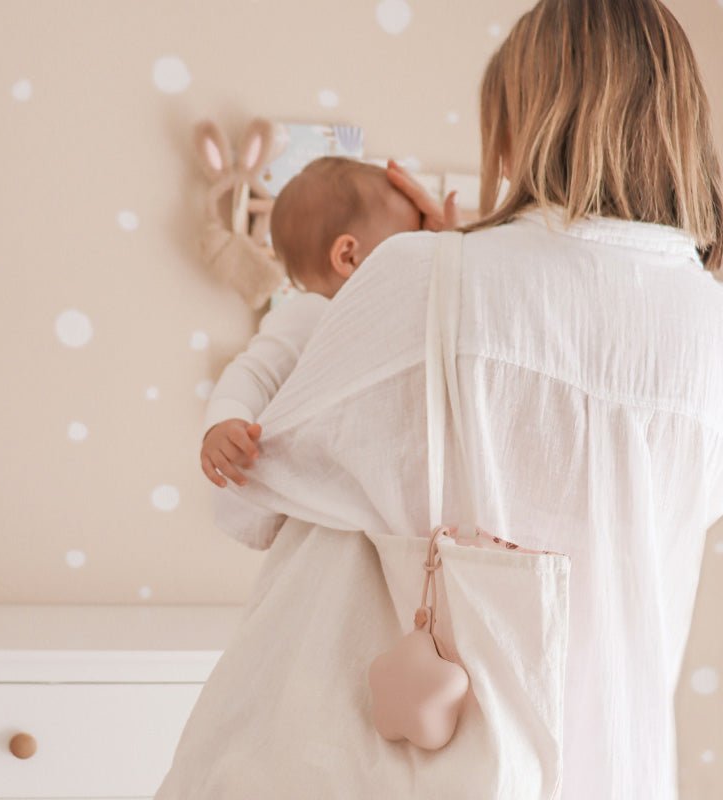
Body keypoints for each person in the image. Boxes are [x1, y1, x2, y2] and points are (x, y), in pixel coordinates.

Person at [157, 0, 723, 797]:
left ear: (524, 122)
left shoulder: (426, 280)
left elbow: (248, 496)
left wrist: (429, 263)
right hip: (610, 765)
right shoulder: (708, 326)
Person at [199, 156, 435, 491]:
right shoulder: (311, 314)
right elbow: (254, 373)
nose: (422, 260)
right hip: (318, 486)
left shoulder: (394, 318)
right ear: (348, 257)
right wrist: (224, 422)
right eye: (410, 246)